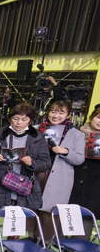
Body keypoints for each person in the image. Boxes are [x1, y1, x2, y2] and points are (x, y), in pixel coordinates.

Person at [0, 104, 51, 250]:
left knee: (16, 219)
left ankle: (11, 249)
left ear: (30, 121)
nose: (19, 123)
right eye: (16, 118)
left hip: (22, 184)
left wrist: (32, 163)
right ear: (10, 118)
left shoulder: (38, 138)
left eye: (24, 119)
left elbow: (45, 162)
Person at [35, 100, 85, 241]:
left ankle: (44, 242)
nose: (56, 115)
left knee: (50, 211)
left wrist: (66, 151)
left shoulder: (77, 135)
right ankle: (30, 238)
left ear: (68, 115)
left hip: (59, 177)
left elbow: (80, 159)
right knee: (31, 208)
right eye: (53, 111)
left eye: (61, 112)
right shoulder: (36, 129)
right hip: (37, 173)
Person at [69, 108, 100, 236]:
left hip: (95, 179)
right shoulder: (77, 133)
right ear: (92, 117)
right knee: (69, 208)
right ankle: (60, 240)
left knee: (88, 211)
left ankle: (80, 242)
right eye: (98, 117)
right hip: (74, 174)